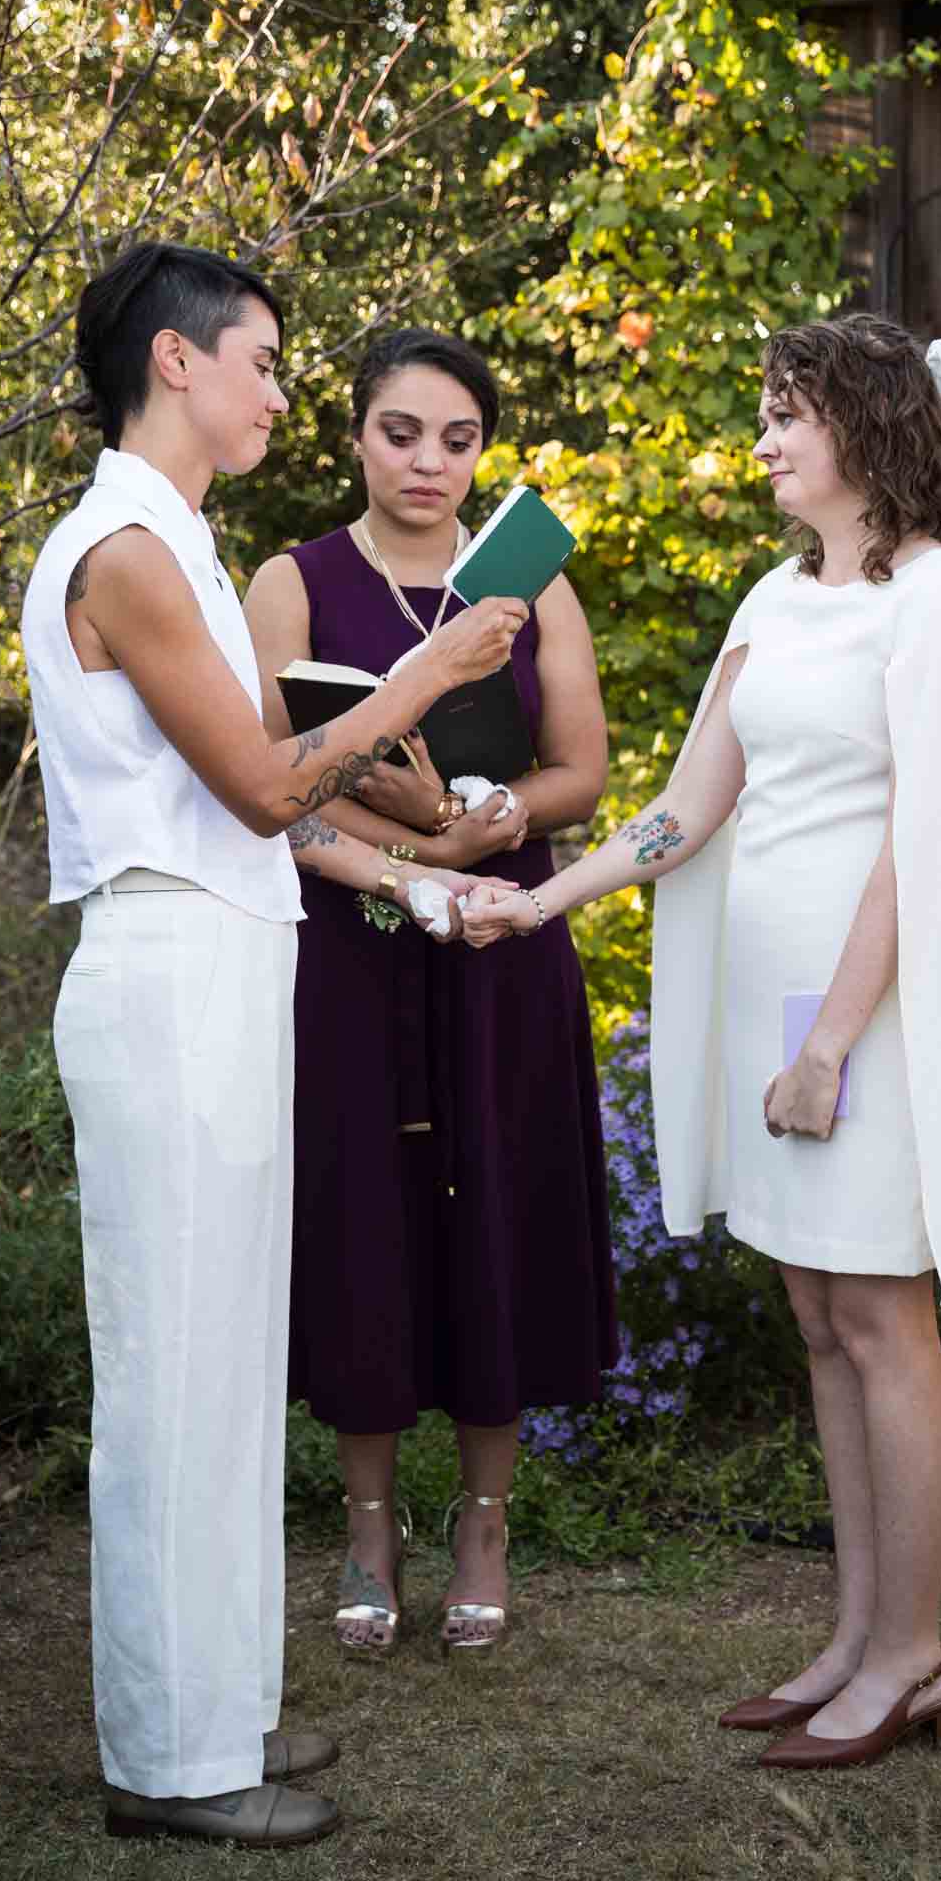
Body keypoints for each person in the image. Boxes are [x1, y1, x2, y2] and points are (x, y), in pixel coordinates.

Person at [463, 315, 941, 1767]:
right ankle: (857, 1636)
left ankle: (915, 1659)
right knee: (819, 1322)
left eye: (785, 414)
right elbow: (689, 804)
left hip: (863, 1018)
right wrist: (538, 902)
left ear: (865, 429)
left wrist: (827, 1043)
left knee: (882, 1320)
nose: (761, 440)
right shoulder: (773, 592)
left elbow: (916, 847)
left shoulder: (936, 602)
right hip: (773, 1010)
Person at [21, 244, 528, 1845]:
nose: (276, 390)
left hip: (233, 966)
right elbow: (257, 788)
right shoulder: (124, 550)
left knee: (232, 1367)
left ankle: (222, 1707)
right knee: (174, 1379)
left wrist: (420, 833)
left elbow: (287, 780)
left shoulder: (180, 535)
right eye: (260, 361)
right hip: (165, 973)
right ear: (176, 363)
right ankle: (166, 1766)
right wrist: (429, 674)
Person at [243, 328, 615, 1658]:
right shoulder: (291, 580)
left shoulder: (529, 582)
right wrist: (415, 859)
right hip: (350, 946)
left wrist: (499, 815)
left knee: (498, 1217)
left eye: (457, 439)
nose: (429, 461)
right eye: (402, 432)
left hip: (501, 946)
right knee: (364, 1222)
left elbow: (584, 772)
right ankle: (362, 1529)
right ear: (355, 435)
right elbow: (264, 787)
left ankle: (485, 1524)